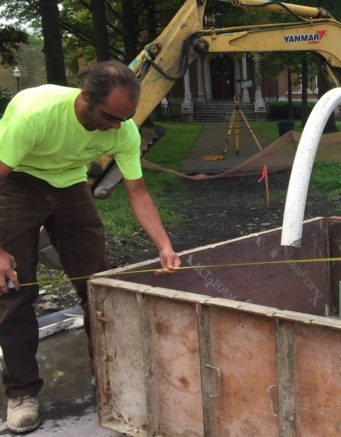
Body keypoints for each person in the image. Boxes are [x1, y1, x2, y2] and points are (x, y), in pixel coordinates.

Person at [0, 60, 181, 433]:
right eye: (110, 117)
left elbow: (138, 192)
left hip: (70, 186)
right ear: (85, 98)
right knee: (14, 289)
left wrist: (165, 245)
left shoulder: (124, 129)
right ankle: (21, 392)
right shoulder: (34, 115)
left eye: (124, 118)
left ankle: (111, 378)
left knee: (99, 285)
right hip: (18, 183)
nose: (117, 127)